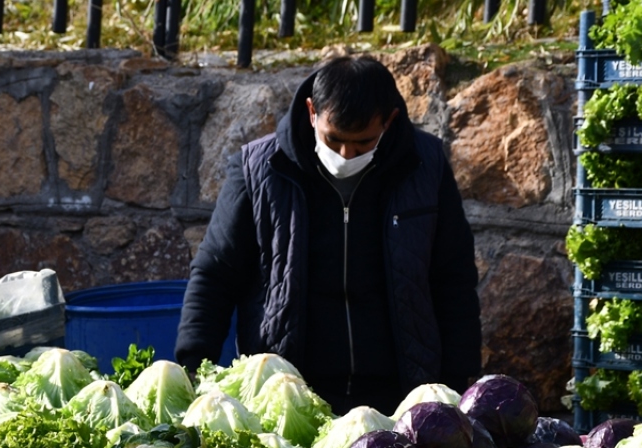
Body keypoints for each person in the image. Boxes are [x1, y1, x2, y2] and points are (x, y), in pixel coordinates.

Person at [176, 54, 481, 415]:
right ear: (311, 112)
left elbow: (453, 277)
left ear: (389, 121)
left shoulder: (425, 166)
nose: (344, 154)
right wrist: (193, 369)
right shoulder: (259, 170)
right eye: (333, 139)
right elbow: (215, 272)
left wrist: (458, 383)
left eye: (363, 144)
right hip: (289, 395)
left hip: (400, 394)